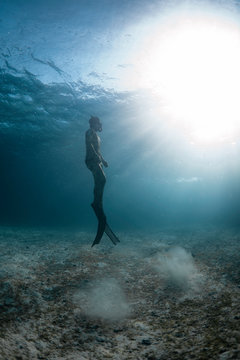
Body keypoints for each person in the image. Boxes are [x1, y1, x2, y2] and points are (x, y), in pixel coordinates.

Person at [85, 116, 108, 211]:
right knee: (101, 179)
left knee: (100, 180)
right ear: (94, 123)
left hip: (96, 160)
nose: (100, 125)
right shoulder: (90, 131)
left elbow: (98, 151)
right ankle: (96, 202)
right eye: (98, 123)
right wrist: (95, 156)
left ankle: (98, 201)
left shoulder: (97, 136)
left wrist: (103, 160)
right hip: (91, 160)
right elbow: (89, 144)